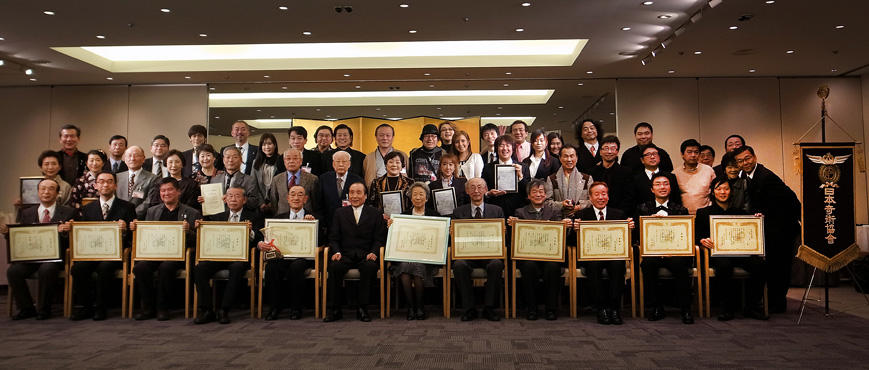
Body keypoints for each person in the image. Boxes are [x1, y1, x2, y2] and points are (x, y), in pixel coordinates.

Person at [734, 145, 800, 314]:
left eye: (747, 158)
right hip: (770, 229)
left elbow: (791, 201)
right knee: (773, 267)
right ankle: (773, 302)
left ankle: (777, 304)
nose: (745, 162)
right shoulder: (746, 176)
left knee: (780, 267)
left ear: (754, 157)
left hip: (782, 229)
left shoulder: (766, 177)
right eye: (740, 161)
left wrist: (765, 213)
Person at [130, 177, 201, 320]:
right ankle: (148, 308)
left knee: (166, 267)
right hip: (154, 253)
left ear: (178, 192)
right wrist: (136, 229)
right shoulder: (152, 211)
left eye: (169, 190)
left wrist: (189, 231)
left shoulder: (192, 213)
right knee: (140, 268)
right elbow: (146, 234)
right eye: (163, 191)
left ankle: (163, 307)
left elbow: (198, 241)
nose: (166, 193)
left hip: (178, 255)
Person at [697, 177, 767, 321]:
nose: (723, 192)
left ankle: (751, 306)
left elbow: (751, 233)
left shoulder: (740, 213)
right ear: (712, 192)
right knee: (724, 266)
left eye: (726, 189)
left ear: (731, 191)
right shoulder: (703, 213)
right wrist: (703, 240)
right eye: (719, 189)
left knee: (759, 265)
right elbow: (697, 235)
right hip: (717, 254)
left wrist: (756, 219)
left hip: (740, 253)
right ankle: (726, 308)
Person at [69, 171, 136, 321]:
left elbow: (133, 236)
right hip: (92, 252)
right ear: (95, 185)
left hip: (115, 254)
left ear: (115, 185)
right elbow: (83, 235)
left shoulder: (127, 207)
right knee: (78, 269)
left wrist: (125, 229)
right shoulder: (87, 209)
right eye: (101, 181)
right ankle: (86, 307)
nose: (105, 184)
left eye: (109, 181)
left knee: (104, 267)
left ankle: (101, 307)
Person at [4, 179, 75, 320]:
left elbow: (72, 241)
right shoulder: (27, 213)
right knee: (13, 271)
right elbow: (20, 238)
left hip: (56, 257)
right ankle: (26, 308)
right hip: (31, 257)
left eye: (50, 189)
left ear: (57, 193)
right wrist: (7, 234)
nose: (46, 192)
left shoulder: (68, 212)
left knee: (46, 269)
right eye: (43, 189)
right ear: (38, 192)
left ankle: (44, 309)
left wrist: (67, 232)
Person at [193, 186, 263, 324]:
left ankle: (224, 310)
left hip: (241, 257)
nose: (233, 199)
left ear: (244, 200)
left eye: (237, 196)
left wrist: (250, 232)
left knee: (236, 269)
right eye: (230, 196)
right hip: (219, 256)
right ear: (225, 199)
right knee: (200, 268)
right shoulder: (218, 216)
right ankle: (206, 309)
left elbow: (259, 238)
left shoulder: (255, 215)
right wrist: (199, 228)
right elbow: (208, 237)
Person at [508, 179, 573, 321]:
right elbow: (516, 237)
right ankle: (532, 309)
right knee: (529, 267)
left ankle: (551, 309)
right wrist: (513, 226)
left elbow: (562, 236)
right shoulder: (520, 212)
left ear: (546, 195)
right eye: (534, 192)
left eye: (541, 192)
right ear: (529, 196)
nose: (538, 194)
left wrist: (566, 226)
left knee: (552, 267)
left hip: (550, 255)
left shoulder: (555, 210)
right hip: (529, 256)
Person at [634, 173, 694, 324]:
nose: (662, 187)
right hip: (652, 252)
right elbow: (637, 235)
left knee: (680, 265)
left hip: (674, 253)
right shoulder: (643, 208)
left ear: (670, 187)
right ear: (652, 189)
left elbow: (685, 235)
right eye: (658, 184)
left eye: (665, 184)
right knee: (648, 264)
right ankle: (655, 307)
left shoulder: (681, 210)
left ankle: (685, 309)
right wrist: (650, 224)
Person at [323, 182, 387, 323]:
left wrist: (374, 252)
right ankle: (334, 309)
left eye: (359, 193)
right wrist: (337, 252)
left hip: (366, 254)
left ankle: (362, 308)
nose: (355, 196)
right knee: (334, 267)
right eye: (352, 192)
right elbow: (333, 238)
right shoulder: (340, 213)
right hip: (345, 254)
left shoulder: (375, 213)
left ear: (365, 196)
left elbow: (379, 238)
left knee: (369, 267)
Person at [575, 181, 635, 325]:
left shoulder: (618, 214)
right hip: (592, 257)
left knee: (618, 265)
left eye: (604, 194)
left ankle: (614, 308)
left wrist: (630, 229)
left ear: (608, 196)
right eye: (597, 194)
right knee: (594, 265)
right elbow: (573, 242)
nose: (601, 197)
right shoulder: (582, 215)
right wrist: (575, 230)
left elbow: (626, 240)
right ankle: (601, 308)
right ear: (590, 197)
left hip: (613, 255)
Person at [261, 185, 321, 320]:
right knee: (272, 266)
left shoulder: (313, 217)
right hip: (282, 256)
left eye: (300, 195)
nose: (296, 198)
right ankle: (274, 307)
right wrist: (261, 243)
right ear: (287, 199)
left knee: (297, 267)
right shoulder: (277, 219)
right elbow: (267, 239)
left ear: (305, 199)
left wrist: (313, 226)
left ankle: (296, 308)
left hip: (303, 258)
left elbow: (321, 242)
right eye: (293, 194)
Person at [452, 178, 505, 321]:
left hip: (489, 253)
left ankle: (489, 308)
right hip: (467, 254)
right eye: (473, 188)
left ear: (485, 190)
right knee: (459, 264)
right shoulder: (458, 212)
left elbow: (502, 238)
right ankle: (469, 309)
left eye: (480, 187)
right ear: (467, 191)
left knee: (496, 264)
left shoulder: (497, 211)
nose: (476, 191)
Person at [386, 182, 440, 320]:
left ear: (427, 198)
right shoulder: (402, 216)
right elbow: (395, 239)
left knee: (417, 266)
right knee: (404, 267)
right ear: (410, 198)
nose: (417, 197)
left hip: (426, 258)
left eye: (421, 194)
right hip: (406, 256)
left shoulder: (435, 215)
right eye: (414, 194)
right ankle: (411, 308)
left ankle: (420, 307)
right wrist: (391, 228)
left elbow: (439, 239)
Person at [482, 135, 530, 219]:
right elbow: (483, 191)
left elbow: (528, 191)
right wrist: (489, 193)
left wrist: (520, 177)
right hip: (495, 209)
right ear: (496, 148)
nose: (505, 148)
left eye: (508, 145)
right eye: (501, 145)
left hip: (518, 210)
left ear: (513, 148)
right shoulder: (488, 168)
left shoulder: (523, 167)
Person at [627, 145, 680, 215]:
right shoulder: (635, 179)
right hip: (643, 216)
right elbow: (632, 203)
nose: (652, 157)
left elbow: (676, 199)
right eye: (648, 155)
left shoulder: (671, 177)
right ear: (642, 160)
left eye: (655, 154)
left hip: (670, 216)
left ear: (659, 157)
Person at [544, 145, 592, 219]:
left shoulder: (587, 179)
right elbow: (547, 202)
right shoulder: (552, 179)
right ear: (560, 158)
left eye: (572, 156)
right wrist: (561, 204)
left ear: (577, 158)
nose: (569, 159)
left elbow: (593, 200)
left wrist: (579, 207)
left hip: (581, 220)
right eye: (565, 156)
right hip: (559, 220)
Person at [318, 150, 364, 229]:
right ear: (333, 164)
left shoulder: (357, 180)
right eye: (338, 161)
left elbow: (362, 203)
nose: (341, 164)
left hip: (351, 224)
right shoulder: (323, 179)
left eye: (344, 161)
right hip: (329, 224)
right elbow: (318, 203)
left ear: (349, 164)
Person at [209, 146, 262, 212]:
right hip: (218, 218)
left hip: (240, 218)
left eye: (235, 157)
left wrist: (239, 199)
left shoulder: (249, 180)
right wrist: (206, 200)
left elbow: (255, 201)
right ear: (223, 160)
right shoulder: (215, 179)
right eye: (228, 157)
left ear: (240, 160)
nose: (231, 160)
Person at [268, 148, 319, 217]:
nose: (291, 161)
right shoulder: (276, 179)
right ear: (284, 161)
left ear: (301, 161)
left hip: (305, 219)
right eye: (288, 159)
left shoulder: (312, 179)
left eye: (295, 158)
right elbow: (274, 203)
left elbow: (315, 203)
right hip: (282, 219)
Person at [588, 136, 632, 212]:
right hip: (595, 216)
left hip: (619, 216)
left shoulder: (626, 172)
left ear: (617, 152)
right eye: (606, 148)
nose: (609, 152)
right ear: (600, 152)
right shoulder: (592, 172)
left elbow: (629, 198)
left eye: (613, 148)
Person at [673, 139, 715, 214]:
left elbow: (715, 193)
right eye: (689, 152)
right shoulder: (675, 173)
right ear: (682, 154)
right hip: (684, 215)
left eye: (696, 152)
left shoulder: (708, 170)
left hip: (705, 214)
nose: (693, 155)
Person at [116, 146, 160, 219]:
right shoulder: (117, 177)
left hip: (140, 220)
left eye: (136, 155)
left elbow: (148, 202)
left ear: (143, 159)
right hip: (118, 219)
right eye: (129, 156)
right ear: (124, 159)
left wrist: (130, 216)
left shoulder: (153, 178)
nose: (132, 159)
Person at [367, 151, 413, 215]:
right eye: (391, 162)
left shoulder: (410, 183)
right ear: (386, 165)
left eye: (397, 162)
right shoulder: (376, 182)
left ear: (402, 165)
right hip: (381, 219)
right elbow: (371, 204)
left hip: (403, 219)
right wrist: (381, 215)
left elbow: (413, 204)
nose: (394, 165)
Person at [252, 133, 286, 206]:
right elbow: (254, 185)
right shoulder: (256, 162)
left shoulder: (281, 161)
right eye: (264, 144)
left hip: (278, 202)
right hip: (260, 203)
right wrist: (261, 202)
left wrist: (273, 202)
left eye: (270, 144)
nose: (267, 147)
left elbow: (283, 185)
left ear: (275, 145)